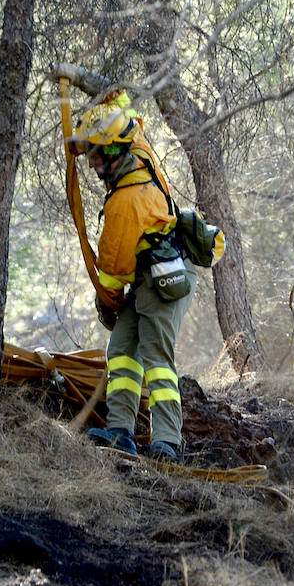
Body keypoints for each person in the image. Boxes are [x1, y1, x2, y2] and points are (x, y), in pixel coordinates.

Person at [52, 63, 191, 463]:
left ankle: (167, 441)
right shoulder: (140, 148)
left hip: (162, 284)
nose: (91, 164)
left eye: (94, 156)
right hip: (145, 282)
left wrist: (107, 307)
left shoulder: (124, 205)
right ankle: (120, 433)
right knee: (123, 353)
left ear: (113, 152)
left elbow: (110, 276)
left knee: (158, 363)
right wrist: (76, 77)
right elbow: (117, 100)